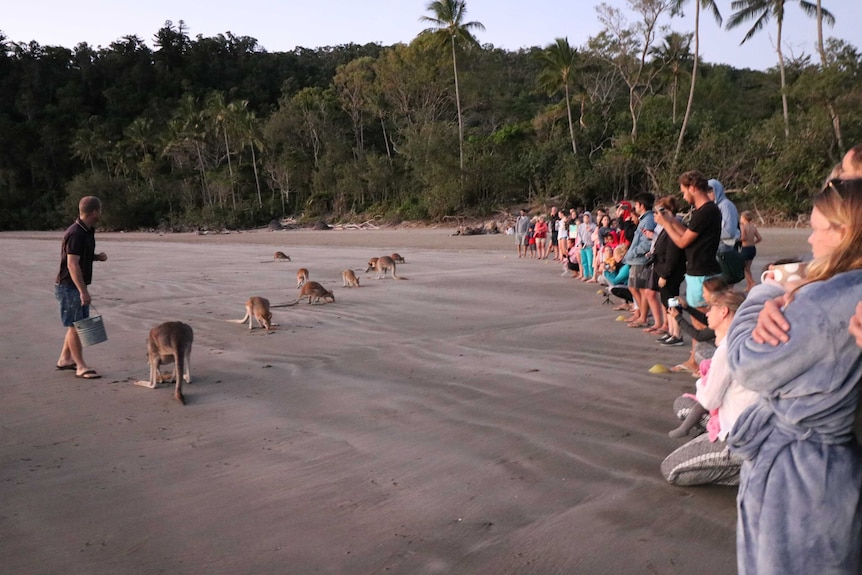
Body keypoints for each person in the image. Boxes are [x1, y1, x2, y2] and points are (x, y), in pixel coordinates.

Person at [725, 177, 862, 574]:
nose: (811, 242)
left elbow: (745, 361)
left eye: (817, 230)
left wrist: (761, 296)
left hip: (801, 479)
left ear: (844, 232)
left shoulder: (825, 301)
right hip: (831, 469)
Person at [662, 290, 756, 486]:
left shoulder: (729, 346)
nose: (706, 313)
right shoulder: (745, 334)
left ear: (724, 312)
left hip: (741, 436)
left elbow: (709, 400)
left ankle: (751, 471)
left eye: (711, 308)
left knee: (671, 470)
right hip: (739, 420)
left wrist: (702, 381)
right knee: (683, 403)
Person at [55, 196, 107, 379]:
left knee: (75, 325)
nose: (101, 214)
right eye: (100, 210)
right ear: (94, 212)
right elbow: (72, 264)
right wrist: (83, 291)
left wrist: (95, 257)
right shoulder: (76, 233)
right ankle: (80, 366)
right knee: (77, 326)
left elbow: (79, 255)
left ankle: (64, 359)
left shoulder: (87, 230)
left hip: (74, 286)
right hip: (70, 287)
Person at [621, 193, 656, 327]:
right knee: (634, 287)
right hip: (635, 259)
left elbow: (646, 243)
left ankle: (643, 316)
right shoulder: (644, 219)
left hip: (640, 260)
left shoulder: (648, 220)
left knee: (639, 288)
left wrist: (633, 253)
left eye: (636, 204)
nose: (635, 207)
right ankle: (640, 314)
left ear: (642, 205)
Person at [708, 179, 740, 253]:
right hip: (718, 246)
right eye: (705, 191)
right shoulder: (716, 206)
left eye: (710, 191)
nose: (707, 194)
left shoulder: (726, 205)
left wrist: (708, 235)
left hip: (725, 248)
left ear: (717, 190)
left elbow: (729, 232)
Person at [739, 211, 762, 291]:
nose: (740, 219)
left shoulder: (743, 226)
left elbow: (744, 238)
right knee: (748, 268)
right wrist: (753, 242)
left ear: (744, 218)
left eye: (741, 217)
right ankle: (749, 286)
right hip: (752, 248)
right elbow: (759, 238)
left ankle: (752, 282)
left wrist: (736, 239)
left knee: (744, 268)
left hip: (745, 249)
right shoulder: (753, 226)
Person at [576, 211, 597, 282]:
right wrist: (579, 243)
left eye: (587, 218)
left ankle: (592, 275)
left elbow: (595, 235)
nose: (586, 219)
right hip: (583, 246)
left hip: (590, 246)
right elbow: (579, 235)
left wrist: (591, 230)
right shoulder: (581, 226)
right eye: (584, 218)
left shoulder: (594, 226)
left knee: (590, 262)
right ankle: (585, 275)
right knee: (584, 261)